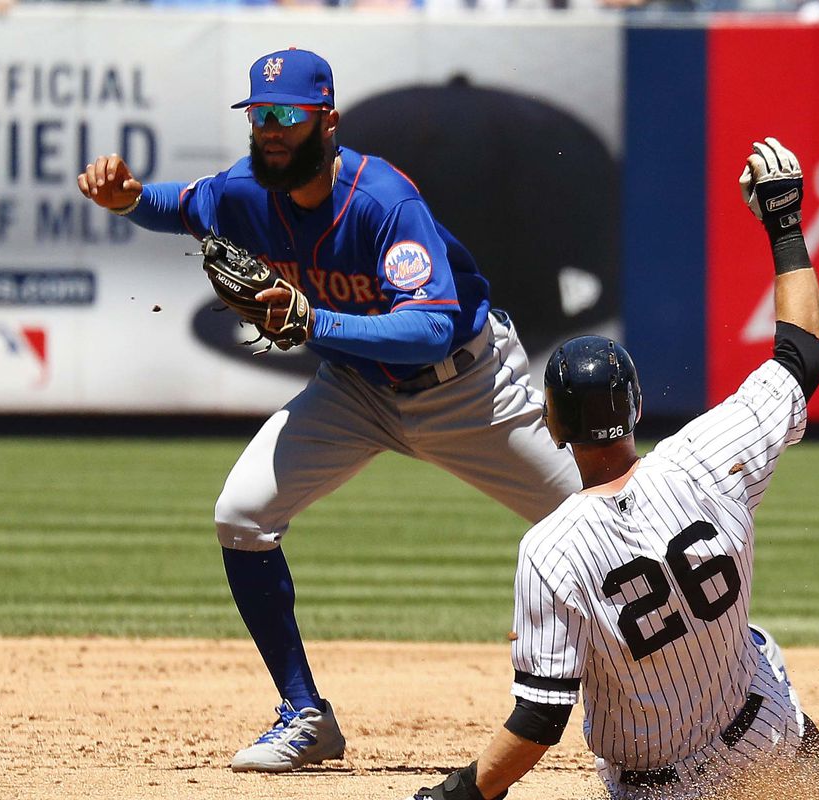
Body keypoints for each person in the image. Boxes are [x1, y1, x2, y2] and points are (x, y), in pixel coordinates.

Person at [76, 47, 581, 773]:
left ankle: (728, 680)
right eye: (259, 116)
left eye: (287, 115)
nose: (271, 130)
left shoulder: (382, 202)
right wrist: (126, 199)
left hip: (470, 392)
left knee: (610, 527)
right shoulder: (244, 190)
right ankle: (305, 715)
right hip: (356, 391)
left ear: (328, 120)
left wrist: (314, 324)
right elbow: (178, 206)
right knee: (241, 515)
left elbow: (431, 327)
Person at [401, 138, 819, 800]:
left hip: (660, 790)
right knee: (754, 650)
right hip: (762, 737)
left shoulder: (552, 549)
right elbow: (804, 351)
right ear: (638, 405)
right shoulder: (706, 456)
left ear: (555, 428)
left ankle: (813, 765)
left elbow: (539, 719)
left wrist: (459, 792)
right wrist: (785, 224)